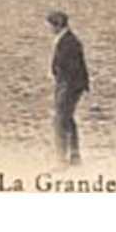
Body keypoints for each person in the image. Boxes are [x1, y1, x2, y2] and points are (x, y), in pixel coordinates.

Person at [46, 10, 89, 166]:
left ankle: (61, 160)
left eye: (51, 26)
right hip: (70, 85)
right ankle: (75, 156)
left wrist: (64, 89)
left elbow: (71, 70)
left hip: (68, 86)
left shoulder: (68, 42)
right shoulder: (68, 39)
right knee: (67, 119)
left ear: (57, 25)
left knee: (60, 121)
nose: (50, 29)